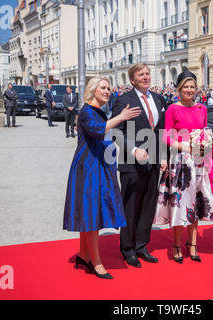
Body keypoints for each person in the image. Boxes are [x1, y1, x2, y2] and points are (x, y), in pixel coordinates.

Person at [63, 77, 142, 280]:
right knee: (91, 215)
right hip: (89, 167)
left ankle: (83, 254)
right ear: (93, 90)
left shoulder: (98, 110)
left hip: (97, 165)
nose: (108, 91)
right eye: (103, 88)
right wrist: (121, 117)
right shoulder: (88, 111)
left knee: (91, 212)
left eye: (109, 88)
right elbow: (100, 130)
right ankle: (95, 262)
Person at [154, 71, 213, 264]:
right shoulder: (172, 109)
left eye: (192, 87)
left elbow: (204, 131)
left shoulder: (202, 108)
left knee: (196, 203)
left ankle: (192, 245)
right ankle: (176, 245)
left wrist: (206, 142)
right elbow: (166, 135)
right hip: (181, 161)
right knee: (179, 204)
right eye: (186, 87)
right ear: (179, 89)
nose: (189, 90)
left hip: (200, 161)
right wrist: (183, 145)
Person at [111, 63, 168, 268]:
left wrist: (163, 156)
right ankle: (128, 249)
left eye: (147, 74)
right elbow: (116, 131)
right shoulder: (123, 100)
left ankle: (142, 246)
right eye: (140, 75)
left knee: (147, 206)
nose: (145, 77)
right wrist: (134, 150)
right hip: (131, 163)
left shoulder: (160, 99)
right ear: (132, 80)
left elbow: (161, 131)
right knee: (131, 206)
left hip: (153, 163)